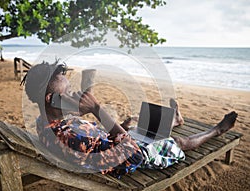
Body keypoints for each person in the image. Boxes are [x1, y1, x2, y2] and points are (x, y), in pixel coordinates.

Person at [23, 61, 238, 178]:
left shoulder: (46, 123)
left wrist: (115, 129)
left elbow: (92, 141)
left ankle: (175, 121)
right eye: (68, 92)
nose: (73, 95)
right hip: (131, 158)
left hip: (109, 144)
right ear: (51, 99)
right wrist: (97, 109)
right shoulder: (71, 137)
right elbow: (133, 154)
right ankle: (216, 131)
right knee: (175, 143)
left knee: (139, 127)